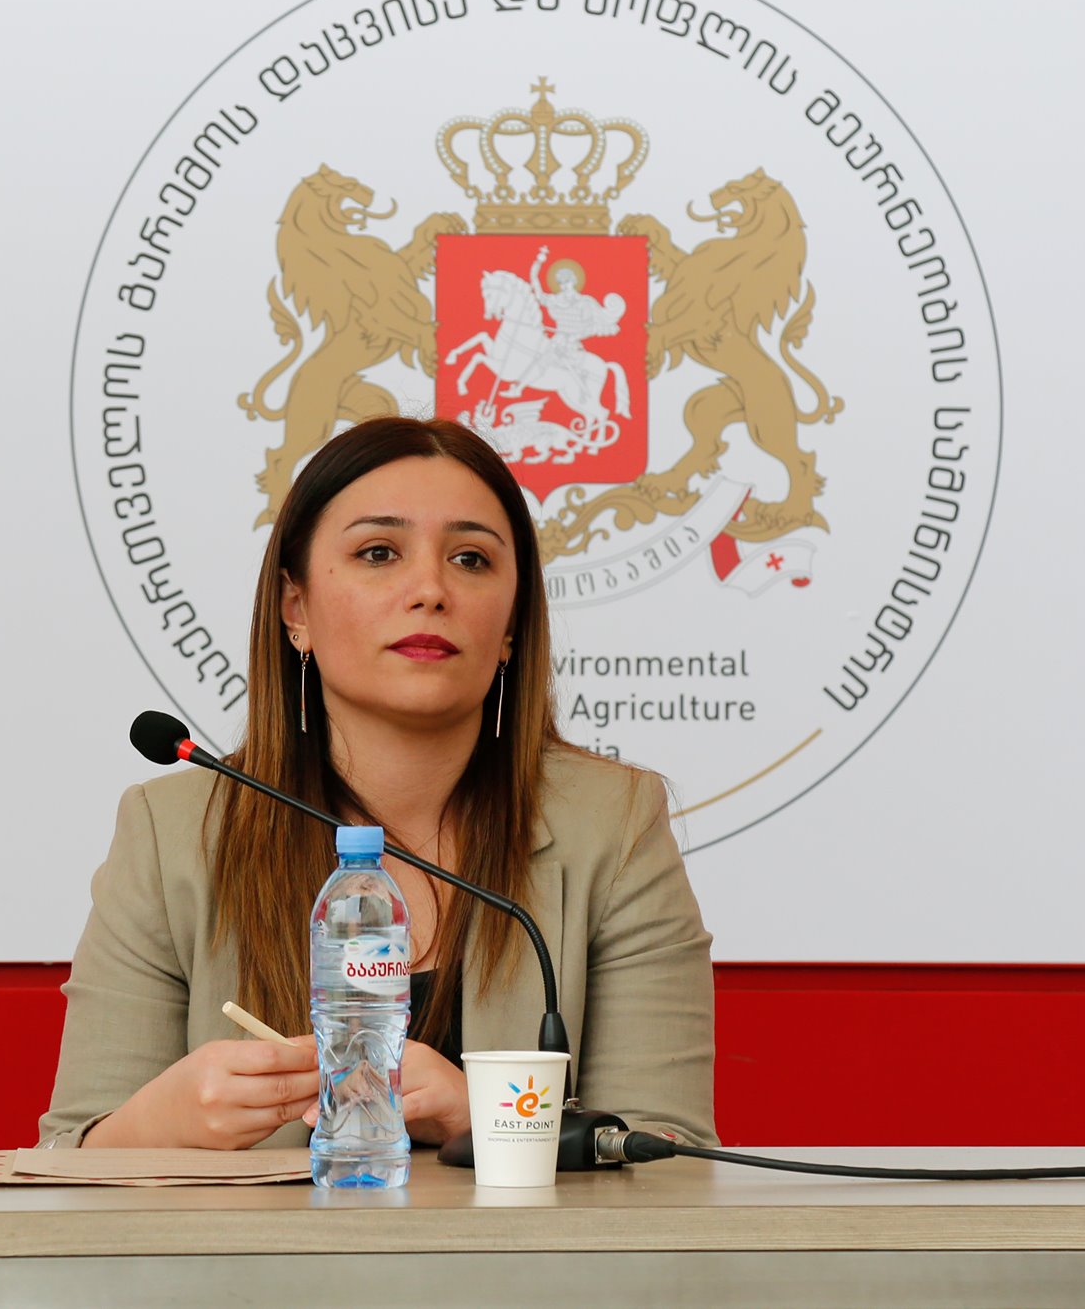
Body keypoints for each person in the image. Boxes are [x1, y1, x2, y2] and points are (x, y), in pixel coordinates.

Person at [38, 417, 716, 1151]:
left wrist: (489, 1118)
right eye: (379, 552)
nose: (430, 589)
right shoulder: (171, 831)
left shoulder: (613, 824)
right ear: (295, 609)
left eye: (470, 559)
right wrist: (159, 1122)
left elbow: (671, 1156)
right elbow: (67, 1157)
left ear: (511, 625)